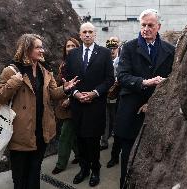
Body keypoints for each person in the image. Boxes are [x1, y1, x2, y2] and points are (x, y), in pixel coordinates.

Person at [0, 33, 79, 189]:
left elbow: (53, 93)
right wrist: (13, 83)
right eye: (38, 47)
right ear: (27, 49)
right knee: (20, 176)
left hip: (41, 132)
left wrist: (65, 89)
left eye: (42, 47)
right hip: (20, 133)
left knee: (34, 173)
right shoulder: (11, 70)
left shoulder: (45, 70)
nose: (42, 51)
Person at [114, 9, 175, 188]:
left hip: (158, 111)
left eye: (150, 25)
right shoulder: (129, 47)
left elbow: (174, 78)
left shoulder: (170, 50)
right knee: (128, 155)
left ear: (159, 27)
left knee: (155, 155)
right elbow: (122, 77)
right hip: (131, 109)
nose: (146, 29)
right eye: (143, 25)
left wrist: (155, 100)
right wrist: (145, 82)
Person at [65, 22, 114, 187]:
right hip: (77, 105)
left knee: (93, 141)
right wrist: (76, 93)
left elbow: (109, 79)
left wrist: (94, 93)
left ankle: (95, 170)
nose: (87, 34)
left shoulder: (105, 53)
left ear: (95, 35)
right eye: (84, 32)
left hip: (95, 104)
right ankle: (83, 169)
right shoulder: (72, 55)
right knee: (80, 139)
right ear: (80, 35)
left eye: (90, 32)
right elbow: (67, 79)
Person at [52, 37, 80, 175]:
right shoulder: (63, 64)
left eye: (73, 46)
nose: (69, 48)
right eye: (67, 46)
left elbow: (82, 82)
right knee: (71, 134)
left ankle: (60, 164)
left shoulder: (81, 63)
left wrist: (70, 98)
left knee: (65, 134)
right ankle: (80, 155)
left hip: (74, 103)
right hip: (61, 102)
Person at [100, 37, 122, 169]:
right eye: (110, 48)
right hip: (105, 95)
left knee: (116, 120)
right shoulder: (104, 61)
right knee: (105, 119)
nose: (112, 51)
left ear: (118, 48)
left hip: (117, 95)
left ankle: (114, 143)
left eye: (114, 48)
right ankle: (104, 142)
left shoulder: (122, 61)